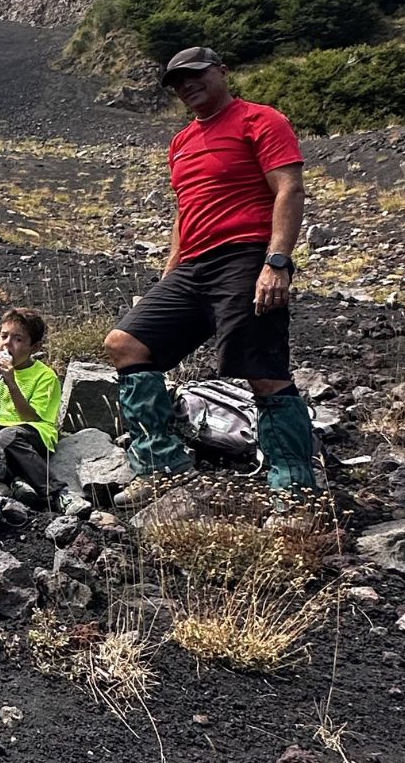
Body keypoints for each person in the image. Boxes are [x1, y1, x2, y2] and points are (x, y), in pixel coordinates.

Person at [104, 47, 316, 507]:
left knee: (262, 373)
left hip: (245, 256)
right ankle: (160, 467)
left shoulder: (260, 120)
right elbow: (187, 212)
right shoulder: (181, 143)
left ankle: (296, 490)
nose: (185, 85)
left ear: (221, 71)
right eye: (176, 81)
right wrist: (167, 275)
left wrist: (277, 262)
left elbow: (289, 189)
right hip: (193, 266)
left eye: (194, 74)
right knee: (126, 343)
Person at [0, 308, 79, 512]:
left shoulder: (45, 376)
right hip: (2, 431)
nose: (7, 343)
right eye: (4, 336)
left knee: (7, 436)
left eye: (18, 339)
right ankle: (16, 480)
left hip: (33, 432)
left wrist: (11, 383)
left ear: (34, 347)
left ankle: (57, 493)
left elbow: (32, 416)